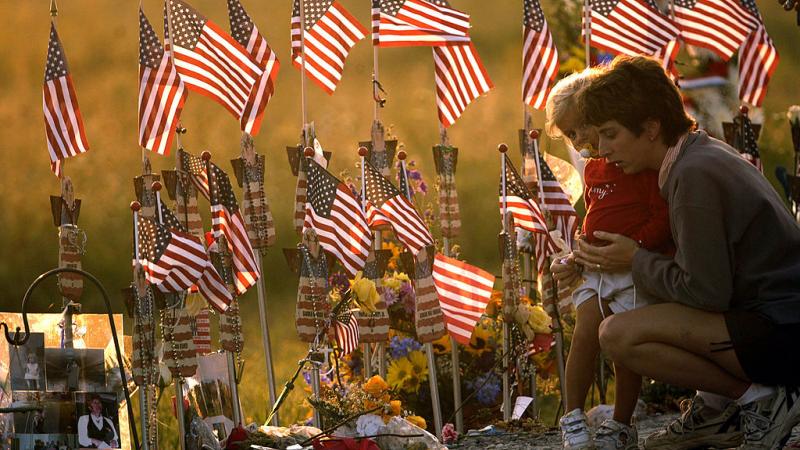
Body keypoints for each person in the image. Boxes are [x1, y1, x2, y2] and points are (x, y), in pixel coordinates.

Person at [553, 54, 800, 449]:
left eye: (611, 133)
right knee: (627, 321)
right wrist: (587, 260)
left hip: (780, 331)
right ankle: (716, 407)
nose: (601, 148)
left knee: (618, 334)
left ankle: (760, 402)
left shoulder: (692, 176)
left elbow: (706, 292)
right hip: (766, 318)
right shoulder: (693, 156)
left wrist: (634, 260)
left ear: (651, 127)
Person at [546, 68, 674, 450]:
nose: (581, 140)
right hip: (597, 264)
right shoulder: (596, 169)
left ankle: (621, 423)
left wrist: (633, 248)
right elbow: (596, 215)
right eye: (571, 135)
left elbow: (660, 216)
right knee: (586, 329)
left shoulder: (635, 163)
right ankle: (572, 416)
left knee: (622, 345)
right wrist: (579, 251)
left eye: (583, 127)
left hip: (629, 266)